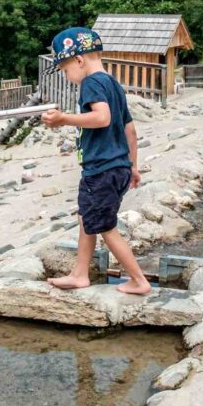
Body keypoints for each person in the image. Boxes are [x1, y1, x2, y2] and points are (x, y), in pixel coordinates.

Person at [40, 27, 151, 295]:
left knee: (105, 226)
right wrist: (132, 166)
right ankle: (80, 273)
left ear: (78, 60)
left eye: (65, 70)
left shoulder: (90, 83)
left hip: (101, 169)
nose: (67, 77)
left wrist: (64, 119)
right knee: (86, 217)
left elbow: (102, 118)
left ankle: (139, 280)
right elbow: (130, 130)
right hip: (117, 167)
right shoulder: (112, 84)